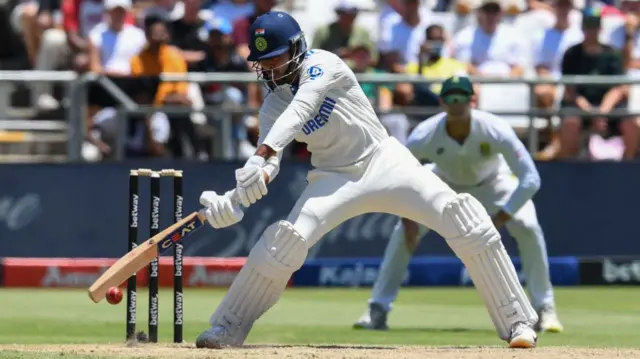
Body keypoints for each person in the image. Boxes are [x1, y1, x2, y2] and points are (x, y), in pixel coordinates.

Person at [194, 12, 539, 349]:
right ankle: (226, 328)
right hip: (332, 178)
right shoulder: (271, 105)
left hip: (385, 161)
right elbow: (270, 161)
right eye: (262, 62)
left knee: (464, 218)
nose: (268, 68)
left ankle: (516, 322)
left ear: (297, 47)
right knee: (282, 242)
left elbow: (301, 109)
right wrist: (240, 194)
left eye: (275, 58)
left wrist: (260, 156)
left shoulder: (324, 64)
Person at [353, 76, 564, 334]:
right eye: (451, 98)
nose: (456, 104)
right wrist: (408, 220)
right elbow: (401, 174)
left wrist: (501, 217)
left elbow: (530, 179)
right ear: (442, 102)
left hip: (494, 182)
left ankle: (545, 309)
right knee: (402, 235)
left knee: (528, 226)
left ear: (472, 100)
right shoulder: (424, 135)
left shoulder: (495, 129)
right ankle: (377, 310)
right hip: (445, 184)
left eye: (461, 98)